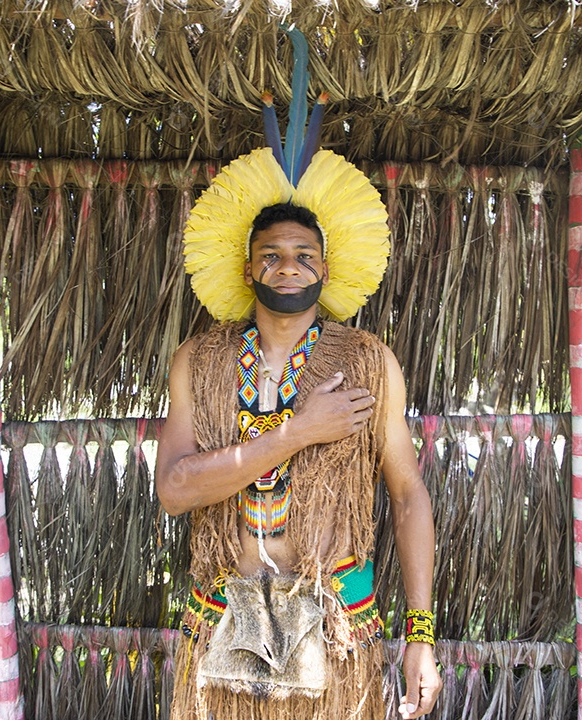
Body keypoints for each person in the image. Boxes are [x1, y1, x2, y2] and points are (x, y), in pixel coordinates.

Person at [156, 146, 441, 720]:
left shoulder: (368, 362)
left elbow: (408, 495)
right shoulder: (199, 361)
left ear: (326, 270)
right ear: (246, 269)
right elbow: (174, 490)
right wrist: (298, 431)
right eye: (271, 255)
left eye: (304, 255)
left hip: (337, 629)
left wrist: (421, 635)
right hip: (221, 625)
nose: (288, 266)